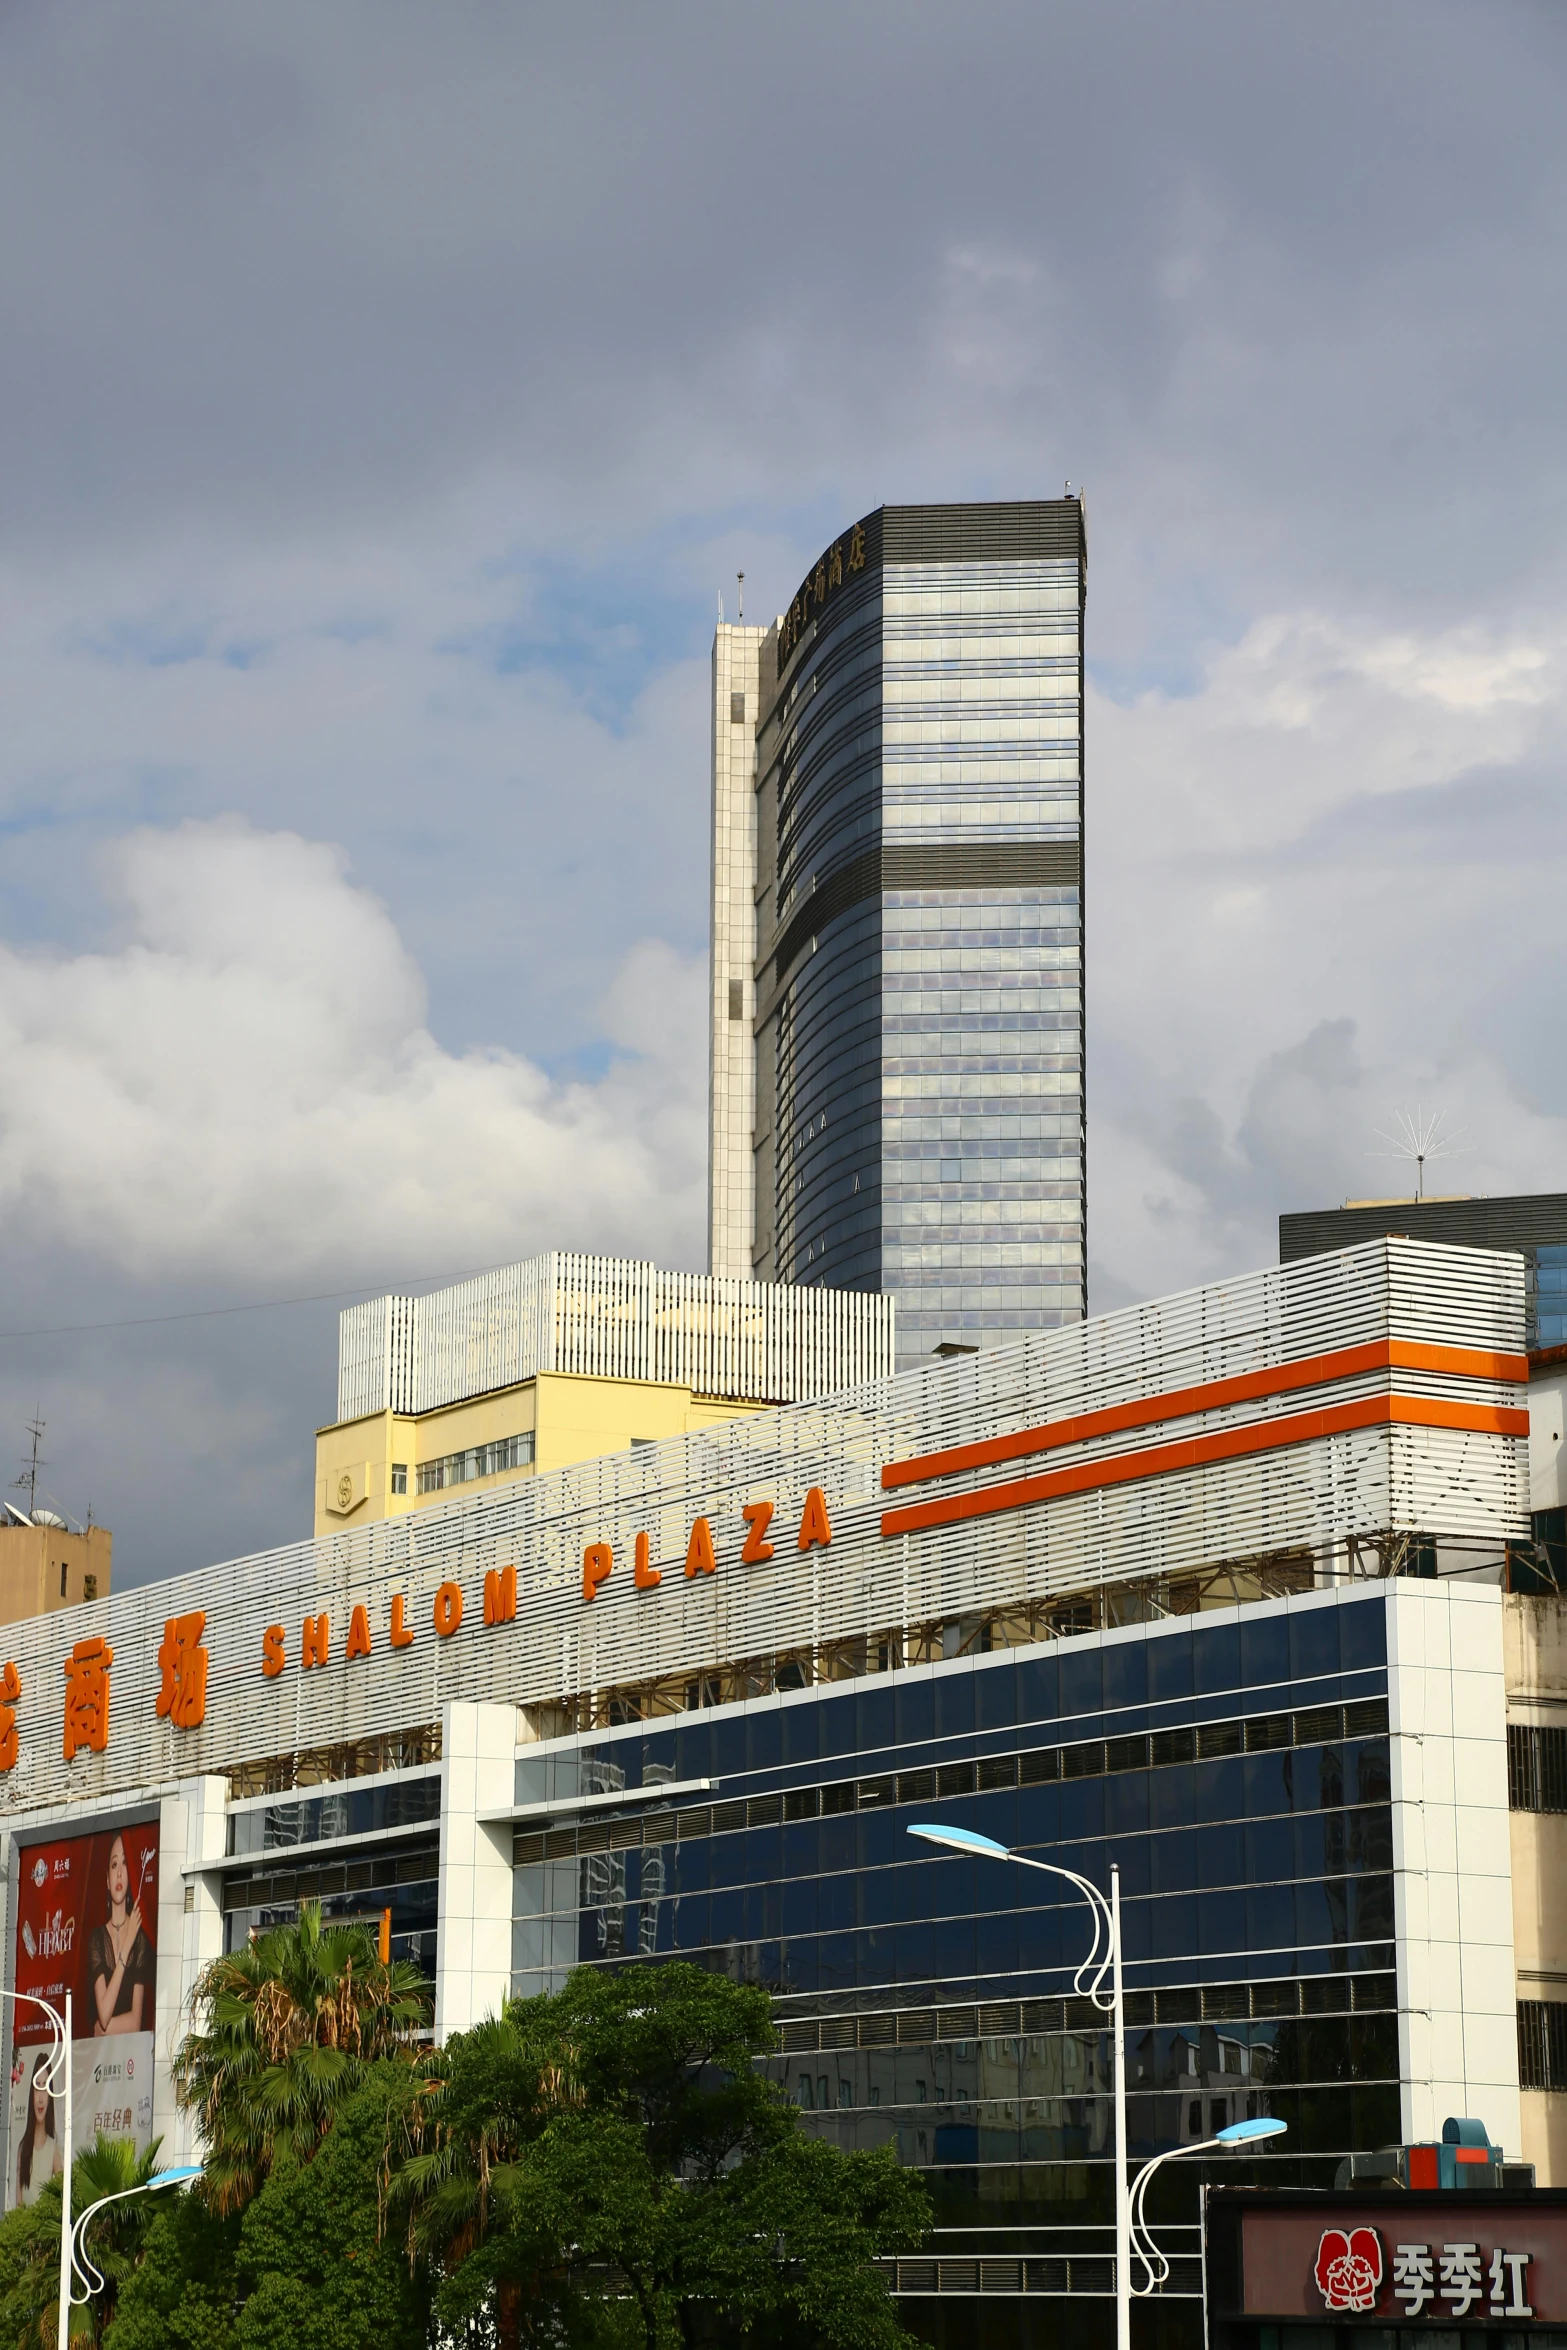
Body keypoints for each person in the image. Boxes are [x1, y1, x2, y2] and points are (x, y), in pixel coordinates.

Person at [88, 1832, 152, 2037]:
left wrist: (99, 2030)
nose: (119, 1874)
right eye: (114, 1865)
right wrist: (127, 1942)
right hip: (99, 2059)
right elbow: (104, 2014)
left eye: (124, 1864)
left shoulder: (141, 1938)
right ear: (107, 1880)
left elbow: (134, 2024)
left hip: (130, 2056)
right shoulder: (96, 1938)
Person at [15, 2050, 61, 2205]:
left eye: (45, 2087)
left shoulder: (52, 2149)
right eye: (37, 2087)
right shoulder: (23, 2149)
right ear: (31, 2093)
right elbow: (18, 2208)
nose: (40, 2098)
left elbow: (64, 2200)